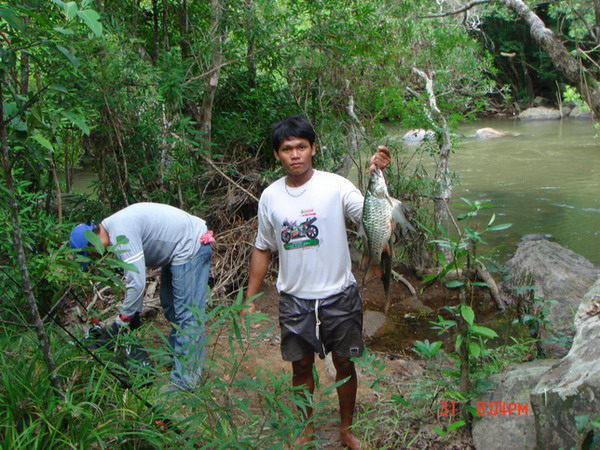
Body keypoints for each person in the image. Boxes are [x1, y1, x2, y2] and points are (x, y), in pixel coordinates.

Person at [243, 115, 390, 449]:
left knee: (344, 363)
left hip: (339, 293)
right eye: (287, 149)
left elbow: (371, 212)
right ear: (277, 154)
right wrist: (249, 299)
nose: (295, 154)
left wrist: (378, 174)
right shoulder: (270, 197)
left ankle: (346, 429)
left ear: (312, 149)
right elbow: (262, 247)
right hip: (295, 298)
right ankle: (305, 427)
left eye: (301, 147)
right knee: (300, 366)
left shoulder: (335, 185)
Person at [69, 202, 213, 392]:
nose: (95, 256)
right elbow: (135, 279)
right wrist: (134, 314)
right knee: (171, 306)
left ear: (92, 241)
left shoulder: (120, 232)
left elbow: (137, 283)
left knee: (188, 315)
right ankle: (178, 357)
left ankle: (185, 381)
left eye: (91, 253)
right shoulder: (114, 228)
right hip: (177, 250)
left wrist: (123, 320)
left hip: (190, 245)